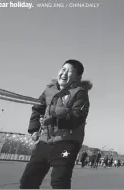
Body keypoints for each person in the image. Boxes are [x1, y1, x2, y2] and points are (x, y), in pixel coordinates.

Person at [19, 59, 91, 189]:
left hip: (67, 142)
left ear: (77, 77)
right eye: (63, 69)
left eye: (69, 71)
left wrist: (54, 120)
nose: (64, 73)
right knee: (28, 180)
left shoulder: (80, 93)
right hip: (45, 140)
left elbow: (77, 117)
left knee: (59, 182)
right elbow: (37, 109)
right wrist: (34, 129)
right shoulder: (49, 90)